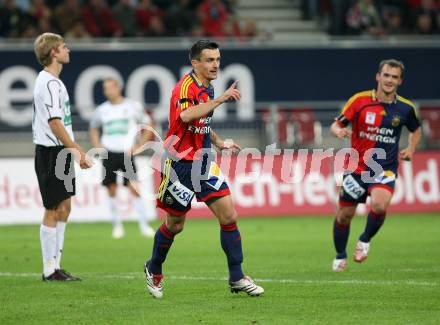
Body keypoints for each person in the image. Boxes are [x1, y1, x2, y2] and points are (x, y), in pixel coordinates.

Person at [143, 40, 264, 298]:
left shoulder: (207, 88)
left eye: (218, 59)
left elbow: (202, 119)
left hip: (205, 162)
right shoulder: (185, 87)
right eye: (209, 60)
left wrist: (218, 142)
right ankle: (153, 268)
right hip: (180, 165)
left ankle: (237, 277)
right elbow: (186, 116)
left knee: (229, 216)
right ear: (195, 62)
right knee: (175, 225)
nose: (215, 65)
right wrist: (221, 99)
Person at [330, 59, 422, 272]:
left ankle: (364, 240)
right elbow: (336, 124)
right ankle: (340, 255)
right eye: (386, 75)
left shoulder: (406, 108)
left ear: (400, 81)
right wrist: (339, 132)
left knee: (380, 205)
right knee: (344, 215)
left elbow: (416, 129)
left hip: (384, 169)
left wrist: (411, 149)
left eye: (395, 77)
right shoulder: (359, 101)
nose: (390, 80)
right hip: (356, 169)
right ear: (378, 77)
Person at [32, 32, 92, 281]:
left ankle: (56, 265)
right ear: (54, 52)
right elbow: (55, 123)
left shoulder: (52, 81)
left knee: (65, 206)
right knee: (53, 207)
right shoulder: (50, 83)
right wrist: (76, 151)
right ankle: (49, 270)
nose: (68, 50)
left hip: (58, 151)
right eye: (64, 47)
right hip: (52, 151)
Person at [89, 78, 156, 239]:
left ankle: (144, 225)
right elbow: (93, 128)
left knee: (134, 188)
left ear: (118, 88)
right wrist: (98, 145)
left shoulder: (132, 106)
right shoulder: (101, 110)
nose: (107, 91)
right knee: (111, 188)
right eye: (105, 88)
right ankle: (117, 226)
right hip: (109, 153)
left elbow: (148, 125)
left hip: (127, 153)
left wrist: (140, 145)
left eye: (110, 87)